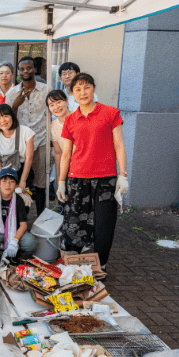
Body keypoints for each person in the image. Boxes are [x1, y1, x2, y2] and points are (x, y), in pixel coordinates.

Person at [57, 73, 128, 270]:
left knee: (103, 225)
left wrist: (123, 174)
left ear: (94, 88)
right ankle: (75, 265)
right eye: (77, 89)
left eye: (86, 87)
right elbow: (66, 154)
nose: (83, 92)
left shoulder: (110, 113)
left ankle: (101, 264)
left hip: (105, 179)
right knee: (75, 224)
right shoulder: (70, 120)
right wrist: (61, 181)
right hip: (77, 178)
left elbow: (119, 145)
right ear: (72, 94)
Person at [5, 56, 48, 216]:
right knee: (24, 182)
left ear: (35, 69)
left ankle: (41, 216)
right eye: (22, 69)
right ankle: (23, 216)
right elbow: (7, 120)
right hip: (21, 145)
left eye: (28, 68)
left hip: (41, 140)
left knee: (41, 183)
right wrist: (15, 106)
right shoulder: (12, 93)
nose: (25, 71)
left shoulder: (46, 90)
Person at [0, 168, 37, 272]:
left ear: (16, 186)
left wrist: (15, 240)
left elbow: (23, 225)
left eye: (11, 182)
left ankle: (15, 253)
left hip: (14, 232)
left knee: (31, 242)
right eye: (4, 181)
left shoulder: (19, 200)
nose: (7, 185)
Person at [0, 104, 35, 195]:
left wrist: (23, 181)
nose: (2, 120)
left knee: (24, 199)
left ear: (12, 117)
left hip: (23, 170)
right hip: (3, 171)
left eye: (5, 116)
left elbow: (29, 159)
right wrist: (4, 180)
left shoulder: (26, 132)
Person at [46, 90, 72, 214]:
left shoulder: (77, 118)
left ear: (66, 101)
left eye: (58, 102)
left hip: (82, 166)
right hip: (66, 167)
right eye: (51, 105)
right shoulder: (53, 126)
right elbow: (58, 153)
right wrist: (58, 178)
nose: (56, 107)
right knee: (63, 197)